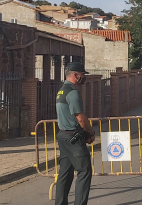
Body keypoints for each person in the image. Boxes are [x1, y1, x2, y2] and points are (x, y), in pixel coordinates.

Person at [55, 62, 95, 205]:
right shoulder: (72, 92)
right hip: (73, 137)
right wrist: (90, 132)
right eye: (82, 75)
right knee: (84, 172)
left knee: (64, 175)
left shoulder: (61, 90)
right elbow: (80, 117)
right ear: (75, 75)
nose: (84, 77)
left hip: (63, 136)